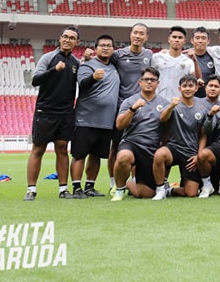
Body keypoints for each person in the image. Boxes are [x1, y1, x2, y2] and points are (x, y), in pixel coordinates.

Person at [25, 26, 80, 201]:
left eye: (72, 38)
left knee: (62, 149)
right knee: (38, 149)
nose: (67, 40)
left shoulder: (76, 63)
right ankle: (31, 189)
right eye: (65, 36)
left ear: (76, 42)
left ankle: (63, 189)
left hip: (65, 113)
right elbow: (35, 80)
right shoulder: (48, 58)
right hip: (46, 111)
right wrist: (54, 70)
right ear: (59, 38)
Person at [70, 33, 119, 198]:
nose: (106, 48)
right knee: (79, 154)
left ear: (113, 49)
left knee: (97, 155)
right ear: (96, 48)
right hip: (86, 118)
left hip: (106, 121)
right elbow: (82, 84)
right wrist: (93, 77)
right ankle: (77, 188)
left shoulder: (114, 67)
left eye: (109, 46)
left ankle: (90, 186)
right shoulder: (87, 66)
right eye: (102, 45)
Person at [108, 23, 154, 191]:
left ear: (146, 37)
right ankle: (113, 184)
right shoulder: (118, 54)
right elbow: (102, 61)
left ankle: (135, 180)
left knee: (139, 145)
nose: (138, 36)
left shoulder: (149, 54)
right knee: (116, 146)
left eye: (142, 33)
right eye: (135, 32)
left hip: (143, 108)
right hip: (122, 107)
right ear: (130, 34)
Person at [111, 67, 170, 201]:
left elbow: (166, 129)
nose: (149, 82)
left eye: (152, 80)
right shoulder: (130, 101)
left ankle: (128, 184)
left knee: (146, 194)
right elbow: (119, 125)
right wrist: (133, 109)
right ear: (140, 82)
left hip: (150, 148)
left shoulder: (164, 104)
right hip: (131, 142)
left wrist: (163, 144)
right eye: (146, 79)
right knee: (124, 157)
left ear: (157, 83)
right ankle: (119, 190)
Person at [153, 74, 211, 199]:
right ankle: (160, 189)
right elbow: (162, 118)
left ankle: (169, 191)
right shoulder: (173, 104)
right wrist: (171, 106)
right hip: (173, 148)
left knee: (191, 193)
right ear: (179, 88)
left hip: (190, 152)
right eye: (184, 86)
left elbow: (203, 134)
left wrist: (198, 155)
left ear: (196, 88)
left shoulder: (202, 107)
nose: (187, 89)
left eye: (191, 86)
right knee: (159, 155)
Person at [152, 25, 197, 102]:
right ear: (169, 39)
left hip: (179, 103)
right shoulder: (157, 57)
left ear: (184, 41)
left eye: (180, 38)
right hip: (157, 101)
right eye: (174, 37)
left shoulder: (188, 61)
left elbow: (195, 81)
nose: (177, 40)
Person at [190, 26, 218, 98]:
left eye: (203, 38)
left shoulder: (214, 57)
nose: (200, 41)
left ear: (208, 41)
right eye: (197, 38)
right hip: (189, 98)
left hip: (208, 98)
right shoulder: (185, 57)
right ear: (192, 40)